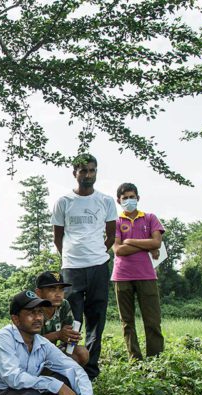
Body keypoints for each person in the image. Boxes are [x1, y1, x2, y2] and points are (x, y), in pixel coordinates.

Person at [51, 154, 117, 380]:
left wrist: (98, 252)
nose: (88, 175)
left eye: (92, 171)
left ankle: (91, 369)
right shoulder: (64, 202)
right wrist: (71, 256)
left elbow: (111, 235)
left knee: (97, 319)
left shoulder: (106, 201)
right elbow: (57, 238)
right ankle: (71, 367)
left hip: (98, 266)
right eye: (83, 171)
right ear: (75, 173)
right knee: (73, 320)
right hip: (72, 268)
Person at [111, 182, 165, 359]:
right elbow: (118, 250)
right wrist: (145, 245)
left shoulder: (150, 218)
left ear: (138, 198)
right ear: (119, 201)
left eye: (131, 197)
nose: (128, 200)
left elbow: (157, 243)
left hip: (146, 275)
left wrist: (129, 241)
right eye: (124, 198)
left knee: (153, 321)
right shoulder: (115, 222)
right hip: (122, 276)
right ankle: (135, 360)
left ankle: (155, 360)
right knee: (127, 322)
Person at [34, 271, 89, 366]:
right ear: (39, 293)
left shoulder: (63, 305)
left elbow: (67, 337)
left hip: (50, 352)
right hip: (30, 356)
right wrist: (57, 335)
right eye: (52, 289)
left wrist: (71, 337)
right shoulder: (31, 309)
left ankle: (64, 377)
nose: (58, 294)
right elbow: (29, 343)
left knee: (81, 353)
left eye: (61, 289)